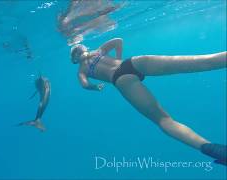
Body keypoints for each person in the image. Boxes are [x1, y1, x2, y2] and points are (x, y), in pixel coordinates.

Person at [70, 38, 227, 165]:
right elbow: (118, 40)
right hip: (133, 62)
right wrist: (118, 59)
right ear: (84, 48)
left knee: (164, 120)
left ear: (74, 59)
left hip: (121, 80)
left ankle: (212, 148)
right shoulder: (99, 50)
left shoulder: (81, 71)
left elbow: (84, 85)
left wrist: (96, 87)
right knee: (205, 61)